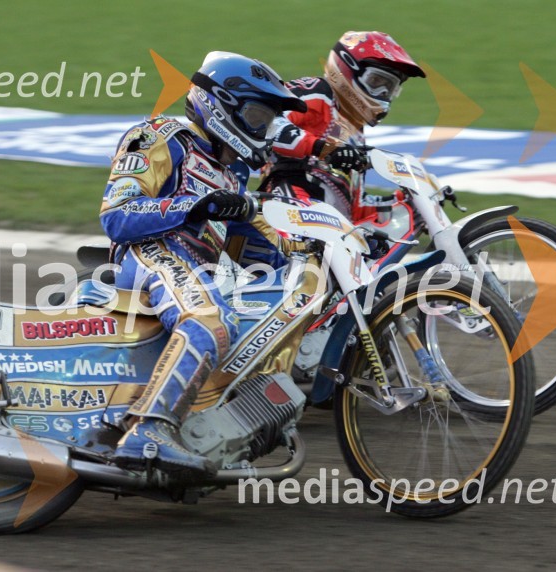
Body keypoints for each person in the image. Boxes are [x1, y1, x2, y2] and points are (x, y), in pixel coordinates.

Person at [100, 51, 306, 478]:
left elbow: (256, 254)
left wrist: (302, 248)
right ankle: (147, 431)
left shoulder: (234, 179)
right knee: (212, 322)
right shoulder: (159, 135)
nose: (262, 130)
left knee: (268, 313)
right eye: (255, 115)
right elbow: (116, 215)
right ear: (219, 104)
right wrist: (195, 205)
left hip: (198, 272)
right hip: (151, 253)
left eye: (268, 121)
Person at [265, 31, 425, 221]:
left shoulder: (356, 132)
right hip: (291, 205)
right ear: (347, 67)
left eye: (389, 88)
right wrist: (323, 148)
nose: (382, 93)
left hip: (334, 225)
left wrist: (408, 203)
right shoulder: (317, 92)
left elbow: (353, 211)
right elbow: (266, 123)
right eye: (376, 82)